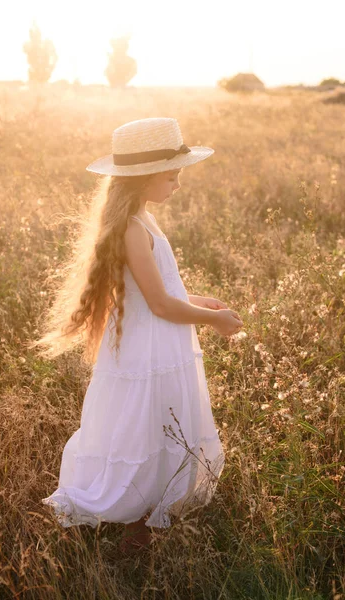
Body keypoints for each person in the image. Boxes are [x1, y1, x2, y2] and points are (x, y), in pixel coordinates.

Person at [30, 117, 244, 554]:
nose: (178, 184)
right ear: (144, 178)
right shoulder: (132, 228)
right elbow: (161, 305)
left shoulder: (142, 219)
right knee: (142, 426)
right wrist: (216, 322)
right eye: (172, 176)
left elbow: (161, 291)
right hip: (148, 348)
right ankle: (133, 517)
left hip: (159, 342)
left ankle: (150, 508)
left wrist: (200, 301)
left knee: (161, 421)